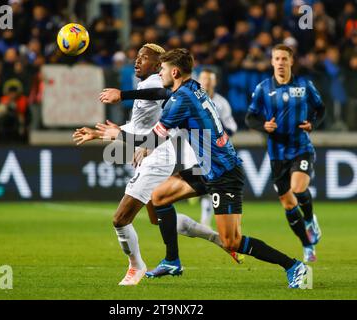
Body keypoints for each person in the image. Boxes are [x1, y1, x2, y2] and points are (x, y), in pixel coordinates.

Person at [93, 48, 312, 289]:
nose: (160, 74)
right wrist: (124, 95)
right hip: (204, 168)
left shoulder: (179, 101)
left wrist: (117, 133)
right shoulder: (192, 86)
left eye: (163, 70)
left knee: (232, 241)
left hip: (222, 173)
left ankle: (293, 266)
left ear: (174, 72)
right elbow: (160, 91)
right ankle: (172, 260)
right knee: (158, 197)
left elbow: (153, 140)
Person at [73, 44, 242, 286]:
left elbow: (163, 95)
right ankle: (216, 240)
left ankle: (136, 266)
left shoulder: (155, 82)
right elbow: (138, 128)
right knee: (159, 216)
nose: (137, 61)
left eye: (144, 58)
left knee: (120, 219)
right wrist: (100, 134)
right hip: (152, 151)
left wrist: (123, 95)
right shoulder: (146, 84)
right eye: (137, 57)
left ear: (157, 65)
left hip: (158, 157)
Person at [245, 44, 325, 263]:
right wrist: (264, 126)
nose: (280, 62)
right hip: (277, 154)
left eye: (284, 58)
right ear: (272, 62)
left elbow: (320, 109)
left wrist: (313, 123)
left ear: (291, 61)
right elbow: (250, 117)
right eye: (276, 58)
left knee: (299, 188)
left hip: (301, 148)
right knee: (288, 204)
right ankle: (308, 245)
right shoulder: (263, 88)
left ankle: (309, 220)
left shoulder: (304, 85)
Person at [198, 69, 237, 227]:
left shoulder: (221, 103)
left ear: (214, 82)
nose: (206, 82)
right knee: (205, 184)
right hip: (194, 149)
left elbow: (232, 127)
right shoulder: (192, 99)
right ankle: (206, 216)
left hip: (215, 152)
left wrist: (220, 135)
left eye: (209, 79)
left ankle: (208, 219)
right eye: (204, 78)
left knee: (212, 185)